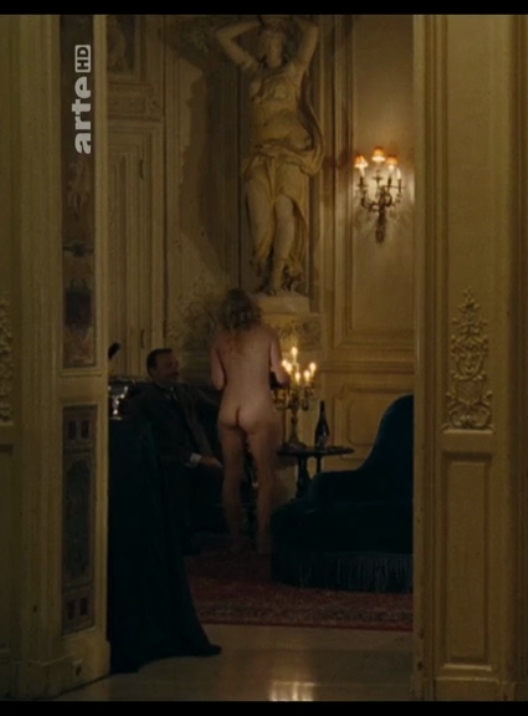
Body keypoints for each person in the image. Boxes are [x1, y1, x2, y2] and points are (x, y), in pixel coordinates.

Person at [215, 15, 322, 296]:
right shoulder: (253, 71)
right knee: (259, 217)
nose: (266, 41)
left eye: (272, 37)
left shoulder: (293, 71)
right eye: (263, 38)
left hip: (289, 152)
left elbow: (312, 31)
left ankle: (277, 274)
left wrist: (285, 17)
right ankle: (263, 267)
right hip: (259, 154)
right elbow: (221, 37)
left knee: (284, 209)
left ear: (282, 43)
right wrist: (257, 20)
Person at [210, 289, 291, 554]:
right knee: (266, 477)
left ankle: (235, 540)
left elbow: (218, 382)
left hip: (229, 409)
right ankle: (262, 540)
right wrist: (285, 377)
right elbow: (281, 376)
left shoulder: (219, 338)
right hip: (257, 408)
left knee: (231, 476)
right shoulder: (266, 334)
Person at [124, 348, 223, 555]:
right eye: (168, 366)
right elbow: (160, 443)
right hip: (169, 461)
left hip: (198, 454)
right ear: (153, 371)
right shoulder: (145, 402)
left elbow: (216, 408)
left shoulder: (185, 392)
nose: (175, 370)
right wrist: (198, 459)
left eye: (175, 365)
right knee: (177, 477)